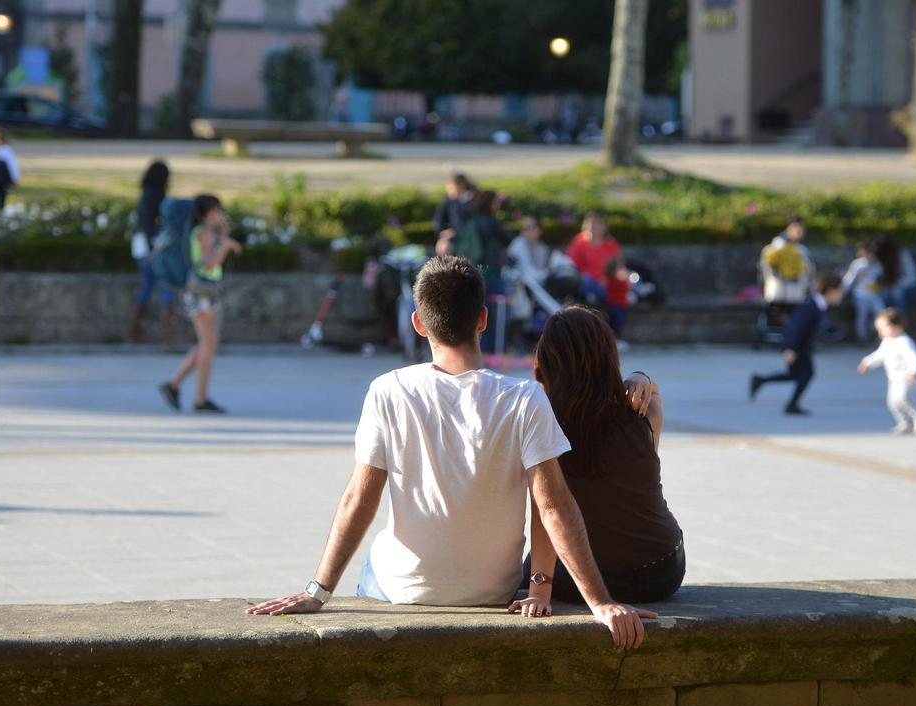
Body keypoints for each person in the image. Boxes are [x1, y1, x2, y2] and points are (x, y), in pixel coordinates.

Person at [245, 256, 656, 650]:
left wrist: (316, 591)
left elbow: (359, 499)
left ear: (418, 323)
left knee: (375, 560)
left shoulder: (387, 391)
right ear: (483, 319)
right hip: (493, 589)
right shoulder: (524, 398)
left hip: (402, 588)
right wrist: (600, 602)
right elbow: (554, 507)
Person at [520, 305, 684, 610]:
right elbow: (654, 395)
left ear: (549, 363)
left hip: (581, 579)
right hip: (662, 570)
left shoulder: (545, 426)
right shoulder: (645, 415)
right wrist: (641, 377)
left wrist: (539, 590)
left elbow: (547, 514)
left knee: (525, 570)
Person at [159, 195, 242, 414]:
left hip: (204, 292)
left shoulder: (205, 232)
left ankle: (174, 385)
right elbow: (209, 264)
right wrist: (226, 246)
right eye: (217, 211)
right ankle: (200, 399)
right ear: (209, 212)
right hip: (202, 293)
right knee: (207, 344)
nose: (220, 215)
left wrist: (223, 237)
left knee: (209, 342)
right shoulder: (203, 233)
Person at [748, 274, 846, 415]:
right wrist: (790, 348)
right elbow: (795, 327)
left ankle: (761, 381)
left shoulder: (818, 305)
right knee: (806, 375)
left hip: (801, 346)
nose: (842, 294)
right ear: (830, 290)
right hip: (797, 346)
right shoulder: (811, 305)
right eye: (840, 290)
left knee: (796, 374)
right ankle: (791, 405)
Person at [453, 190, 513, 353]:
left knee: (478, 312)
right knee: (498, 311)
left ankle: (479, 349)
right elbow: (508, 239)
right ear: (490, 203)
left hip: (472, 272)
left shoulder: (470, 220)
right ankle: (496, 349)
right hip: (491, 273)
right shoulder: (492, 222)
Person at [858, 308, 916, 435]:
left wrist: (913, 371)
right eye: (879, 329)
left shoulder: (904, 341)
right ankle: (904, 423)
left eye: (883, 328)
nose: (880, 332)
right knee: (892, 403)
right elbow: (880, 354)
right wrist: (867, 362)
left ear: (897, 326)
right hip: (894, 378)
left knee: (904, 399)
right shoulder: (887, 341)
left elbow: (913, 357)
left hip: (907, 377)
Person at [127, 160, 174, 343]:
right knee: (164, 286)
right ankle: (167, 334)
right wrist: (151, 250)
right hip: (149, 246)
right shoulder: (152, 194)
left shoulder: (148, 193)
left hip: (144, 245)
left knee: (148, 286)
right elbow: (147, 223)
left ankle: (135, 332)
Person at [758, 215, 816, 305]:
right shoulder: (772, 249)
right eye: (796, 227)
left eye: (801, 228)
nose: (799, 232)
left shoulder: (803, 251)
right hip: (776, 297)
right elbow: (763, 274)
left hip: (797, 298)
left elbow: (810, 275)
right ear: (788, 228)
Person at [565, 211, 620, 303]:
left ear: (604, 227)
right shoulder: (578, 243)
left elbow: (618, 266)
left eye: (598, 223)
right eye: (592, 223)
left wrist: (607, 279)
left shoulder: (610, 243)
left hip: (608, 282)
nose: (594, 227)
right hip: (586, 283)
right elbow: (572, 267)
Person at [842, 241, 883, 342]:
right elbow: (849, 280)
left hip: (874, 295)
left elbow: (881, 278)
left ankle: (876, 334)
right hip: (860, 295)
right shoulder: (857, 264)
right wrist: (843, 290)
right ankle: (862, 337)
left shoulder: (877, 264)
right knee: (862, 316)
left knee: (880, 313)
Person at [870, 233, 916, 313]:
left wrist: (894, 285)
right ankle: (883, 318)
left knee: (896, 293)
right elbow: (874, 277)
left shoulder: (901, 254)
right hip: (887, 287)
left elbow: (912, 277)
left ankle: (899, 317)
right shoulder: (878, 256)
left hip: (907, 286)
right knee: (879, 295)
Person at [431, 173, 475, 256]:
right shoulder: (450, 200)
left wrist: (456, 232)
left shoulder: (474, 199)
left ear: (461, 185)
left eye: (452, 187)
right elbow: (438, 219)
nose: (449, 190)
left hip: (471, 236)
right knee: (443, 246)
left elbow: (472, 223)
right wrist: (442, 232)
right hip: (454, 236)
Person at [604, 255, 633, 348]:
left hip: (619, 305)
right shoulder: (616, 280)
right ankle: (616, 340)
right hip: (617, 305)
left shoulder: (611, 280)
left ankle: (616, 339)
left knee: (618, 323)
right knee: (617, 323)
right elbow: (628, 287)